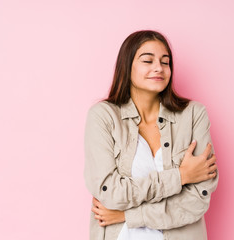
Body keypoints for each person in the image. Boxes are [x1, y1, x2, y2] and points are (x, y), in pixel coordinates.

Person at [84, 30, 219, 240]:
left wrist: (128, 215)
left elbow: (197, 200)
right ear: (126, 66)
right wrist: (181, 176)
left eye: (165, 62)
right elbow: (109, 193)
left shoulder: (193, 114)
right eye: (148, 60)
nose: (159, 68)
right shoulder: (104, 116)